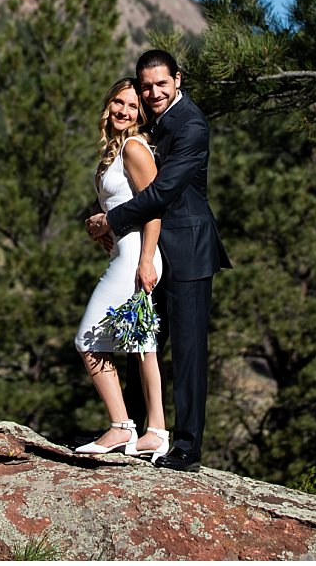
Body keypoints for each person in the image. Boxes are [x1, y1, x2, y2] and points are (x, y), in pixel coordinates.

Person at [86, 51, 228, 474]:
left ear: (178, 80)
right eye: (146, 86)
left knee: (186, 351)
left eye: (161, 84)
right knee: (142, 340)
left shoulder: (192, 126)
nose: (153, 93)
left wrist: (110, 221)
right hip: (155, 251)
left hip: (188, 251)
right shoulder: (151, 123)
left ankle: (186, 447)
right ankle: (133, 428)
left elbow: (162, 193)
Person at [71, 78, 170, 462]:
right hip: (126, 255)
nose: (124, 111)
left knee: (87, 340)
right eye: (119, 102)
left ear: (139, 116)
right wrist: (97, 223)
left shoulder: (132, 147)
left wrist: (146, 260)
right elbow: (119, 206)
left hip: (136, 258)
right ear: (108, 103)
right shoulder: (111, 152)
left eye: (132, 106)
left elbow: (155, 206)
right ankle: (157, 432)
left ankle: (120, 426)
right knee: (143, 346)